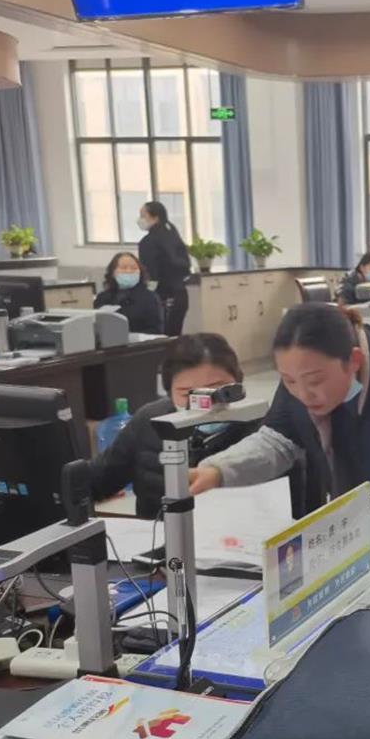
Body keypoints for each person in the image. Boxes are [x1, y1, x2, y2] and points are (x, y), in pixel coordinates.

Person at [189, 304, 370, 508]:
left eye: (315, 380)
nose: (303, 394)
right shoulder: (301, 374)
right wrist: (217, 471)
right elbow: (278, 441)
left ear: (354, 361)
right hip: (356, 513)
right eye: (288, 380)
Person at [89, 334, 252, 519]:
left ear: (238, 382)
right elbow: (98, 480)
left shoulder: (264, 431)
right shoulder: (150, 421)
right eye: (188, 395)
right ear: (169, 392)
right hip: (158, 533)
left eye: (216, 390)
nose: (204, 404)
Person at [136, 201, 191, 336]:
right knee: (174, 335)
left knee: (161, 338)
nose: (140, 219)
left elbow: (151, 275)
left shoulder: (148, 242)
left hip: (162, 297)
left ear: (155, 217)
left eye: (143, 215)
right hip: (181, 295)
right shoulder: (173, 235)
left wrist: (148, 295)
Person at [94, 252, 164, 334]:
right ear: (113, 272)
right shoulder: (102, 298)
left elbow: (156, 330)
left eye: (134, 268)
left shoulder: (150, 298)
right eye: (123, 268)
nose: (129, 271)